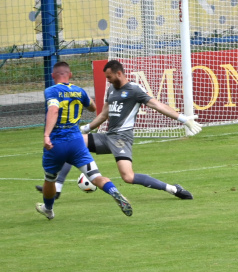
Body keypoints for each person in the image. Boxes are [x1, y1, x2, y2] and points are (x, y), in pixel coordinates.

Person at [38, 60, 202, 201]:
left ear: (119, 73)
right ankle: (57, 187)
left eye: (109, 77)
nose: (108, 81)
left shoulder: (134, 90)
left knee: (128, 177)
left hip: (122, 139)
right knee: (73, 142)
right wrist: (87, 128)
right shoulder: (111, 90)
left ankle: (173, 189)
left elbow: (157, 105)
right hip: (108, 136)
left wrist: (183, 119)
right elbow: (103, 114)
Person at [36, 61, 132, 219]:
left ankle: (48, 209)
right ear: (70, 75)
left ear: (53, 75)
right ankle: (113, 191)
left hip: (56, 144)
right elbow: (93, 108)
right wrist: (81, 98)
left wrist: (46, 135)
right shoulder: (79, 91)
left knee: (49, 179)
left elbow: (53, 110)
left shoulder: (51, 91)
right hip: (77, 142)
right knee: (95, 176)